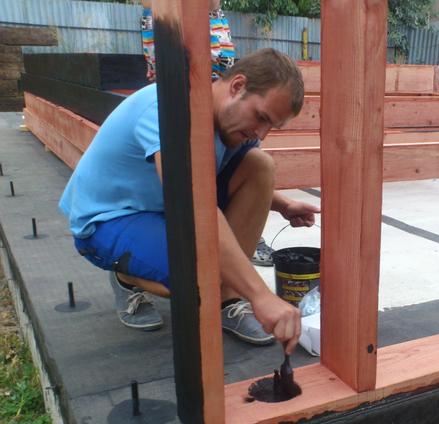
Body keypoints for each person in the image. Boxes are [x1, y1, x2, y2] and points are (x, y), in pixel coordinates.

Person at [58, 48, 319, 354]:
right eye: (261, 117)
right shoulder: (169, 110)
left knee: (259, 165)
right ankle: (125, 275)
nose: (260, 133)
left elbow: (205, 188)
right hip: (109, 219)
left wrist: (283, 205)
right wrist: (260, 295)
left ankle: (226, 298)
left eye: (271, 126)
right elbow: (197, 205)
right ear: (237, 86)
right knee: (199, 276)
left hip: (165, 208)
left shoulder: (236, 128)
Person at [141, 0, 276, 266]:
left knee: (241, 147)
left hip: (213, 56)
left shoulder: (215, 17)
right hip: (181, 52)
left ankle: (238, 238)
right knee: (191, 176)